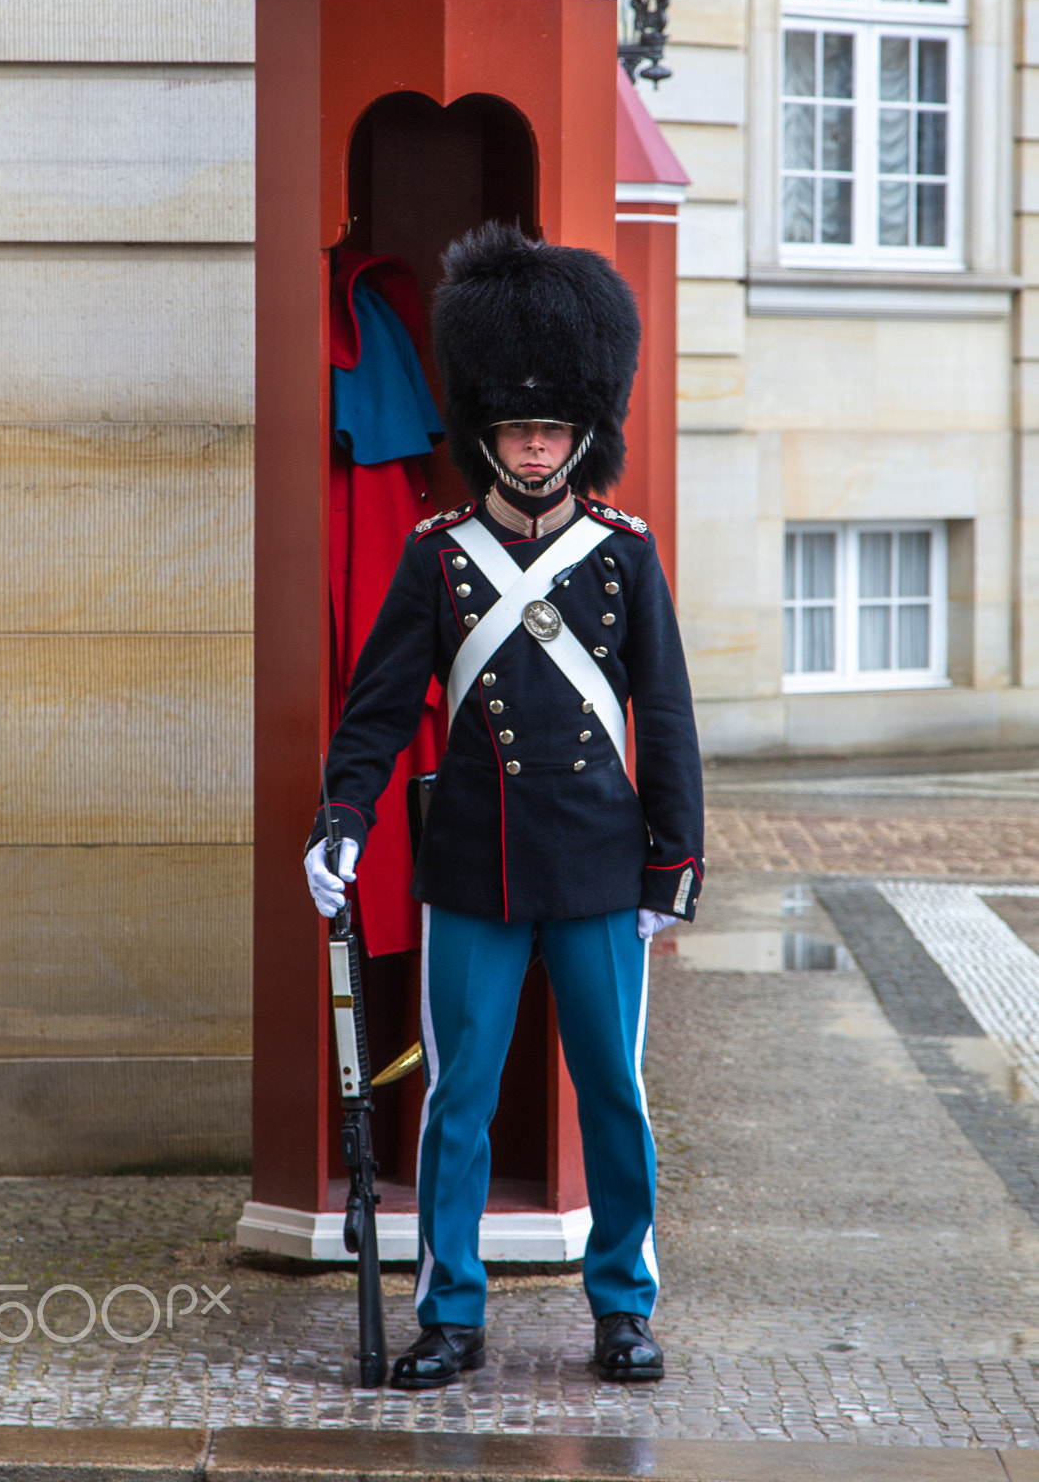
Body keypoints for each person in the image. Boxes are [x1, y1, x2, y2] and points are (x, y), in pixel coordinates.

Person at [304, 221, 704, 1390]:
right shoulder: (437, 558)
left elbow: (665, 719)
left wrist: (671, 863)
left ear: (583, 433)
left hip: (595, 870)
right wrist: (341, 819)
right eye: (520, 429)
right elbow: (377, 711)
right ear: (487, 431)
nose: (535, 448)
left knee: (614, 1101)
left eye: (553, 429)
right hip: (473, 870)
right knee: (458, 1101)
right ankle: (452, 1309)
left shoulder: (624, 558)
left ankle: (623, 1303)